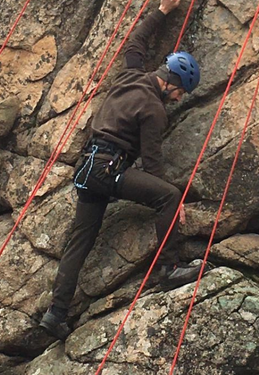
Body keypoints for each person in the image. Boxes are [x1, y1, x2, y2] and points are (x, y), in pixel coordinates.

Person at [39, 0, 203, 339]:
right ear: (172, 82)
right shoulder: (154, 111)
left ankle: (56, 313)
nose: (178, 99)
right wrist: (175, 205)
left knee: (79, 243)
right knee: (169, 195)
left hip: (87, 170)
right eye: (180, 92)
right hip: (107, 170)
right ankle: (170, 267)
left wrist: (163, 10)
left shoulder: (130, 75)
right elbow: (152, 161)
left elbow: (135, 44)